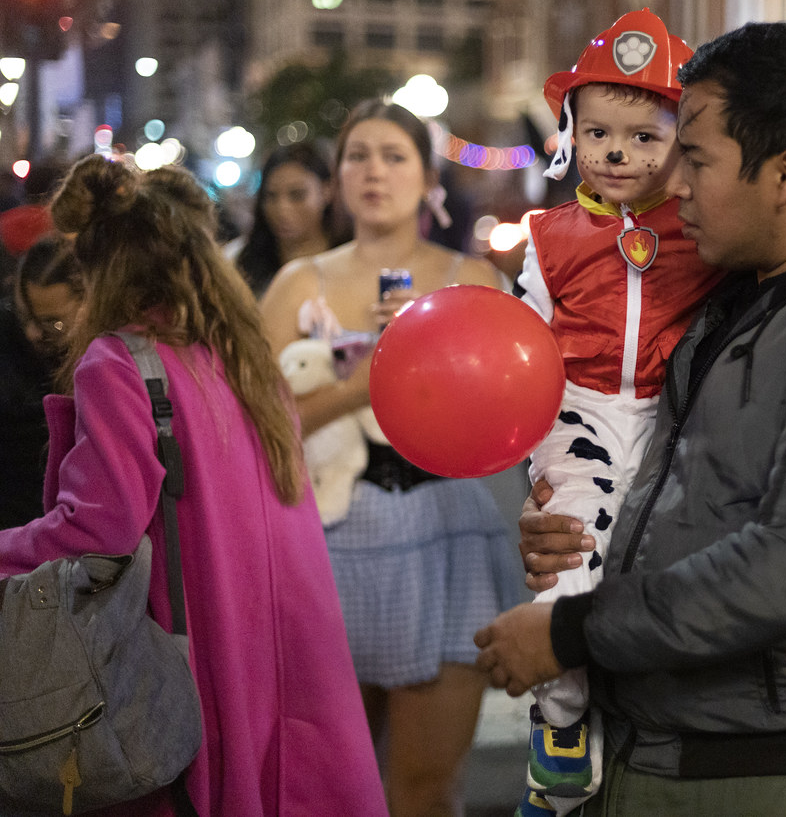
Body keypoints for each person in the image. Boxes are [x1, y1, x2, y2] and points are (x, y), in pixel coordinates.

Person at [475, 20, 786, 817]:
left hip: (756, 772)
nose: (676, 187)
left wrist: (571, 632)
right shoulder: (739, 291)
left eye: (696, 160)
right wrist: (578, 526)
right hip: (645, 746)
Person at [0, 154, 388, 816]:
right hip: (289, 655)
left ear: (104, 269)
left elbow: (97, 528)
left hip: (201, 653)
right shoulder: (242, 355)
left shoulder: (118, 363)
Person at [259, 98, 521, 817]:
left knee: (425, 788)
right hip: (327, 542)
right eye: (358, 156)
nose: (375, 172)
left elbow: (503, 420)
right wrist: (370, 372)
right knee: (327, 788)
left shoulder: (472, 278)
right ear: (337, 179)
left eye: (394, 156)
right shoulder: (299, 283)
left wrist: (433, 358)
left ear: (429, 178)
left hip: (443, 531)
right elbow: (256, 426)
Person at [513, 8, 723, 817]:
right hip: (578, 415)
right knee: (569, 553)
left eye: (643, 136)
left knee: (659, 567)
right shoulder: (548, 237)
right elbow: (521, 347)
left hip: (675, 419)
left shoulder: (704, 228)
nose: (615, 152)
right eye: (597, 132)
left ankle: (646, 718)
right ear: (571, 133)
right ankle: (561, 726)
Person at [0, 234, 83, 527]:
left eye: (53, 323)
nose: (33, 333)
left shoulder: (103, 366)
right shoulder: (5, 336)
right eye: (24, 315)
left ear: (88, 306)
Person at [224, 141, 342, 297]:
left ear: (327, 191)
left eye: (297, 195)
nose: (282, 209)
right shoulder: (235, 260)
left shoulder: (350, 258)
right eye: (271, 196)